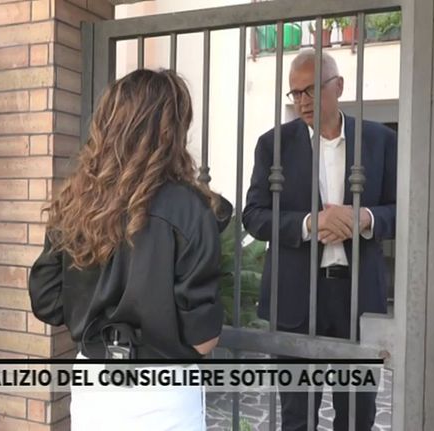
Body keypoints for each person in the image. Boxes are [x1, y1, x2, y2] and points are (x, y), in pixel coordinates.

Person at [28, 69, 232, 431]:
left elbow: (46, 301)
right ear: (172, 130)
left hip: (93, 389)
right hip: (165, 395)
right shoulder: (190, 209)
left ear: (108, 125)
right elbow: (203, 339)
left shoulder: (76, 202)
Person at [242, 50, 397, 431]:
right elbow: (254, 216)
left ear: (338, 86)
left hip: (358, 299)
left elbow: (404, 210)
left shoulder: (380, 140)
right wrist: (311, 223)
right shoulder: (272, 145)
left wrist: (364, 219)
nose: (302, 101)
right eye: (295, 93)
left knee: (358, 416)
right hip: (296, 299)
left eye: (311, 89)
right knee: (297, 417)